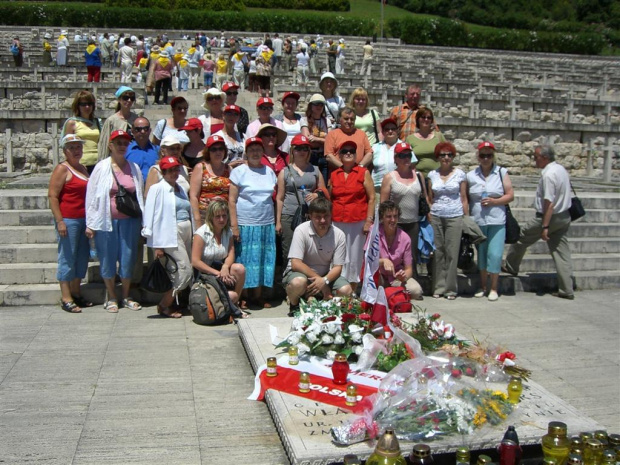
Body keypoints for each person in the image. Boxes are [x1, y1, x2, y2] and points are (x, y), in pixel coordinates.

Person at [503, 145, 574, 300]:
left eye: (536, 157)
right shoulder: (561, 169)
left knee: (521, 237)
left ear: (545, 157)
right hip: (564, 216)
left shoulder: (548, 175)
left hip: (549, 217)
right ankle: (567, 289)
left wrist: (545, 226)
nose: (534, 160)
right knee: (562, 254)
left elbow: (549, 203)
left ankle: (511, 266)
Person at [86, 130, 145, 313]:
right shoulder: (101, 167)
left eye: (125, 143)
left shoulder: (133, 167)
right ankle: (111, 296)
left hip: (129, 221)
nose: (122, 146)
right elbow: (91, 195)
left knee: (128, 259)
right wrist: (90, 222)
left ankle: (126, 295)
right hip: (106, 221)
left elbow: (139, 195)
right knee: (107, 258)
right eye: (118, 143)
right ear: (110, 145)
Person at [228, 137, 277, 308]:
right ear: (246, 152)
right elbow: (232, 200)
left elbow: (275, 198)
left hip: (266, 223)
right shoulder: (239, 172)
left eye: (258, 149)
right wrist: (234, 226)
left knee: (262, 260)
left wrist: (276, 222)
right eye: (252, 149)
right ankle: (243, 295)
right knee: (246, 260)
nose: (255, 153)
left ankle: (258, 296)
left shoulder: (269, 172)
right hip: (245, 223)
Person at [142, 156, 193, 318]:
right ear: (163, 172)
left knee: (178, 270)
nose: (174, 173)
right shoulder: (157, 189)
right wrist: (156, 244)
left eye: (176, 169)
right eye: (170, 170)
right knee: (185, 270)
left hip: (186, 231)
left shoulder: (181, 188)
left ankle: (177, 302)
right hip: (170, 233)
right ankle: (165, 303)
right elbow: (150, 215)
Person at [284, 197, 352, 315]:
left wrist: (324, 280)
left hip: (324, 275)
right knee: (298, 282)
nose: (322, 220)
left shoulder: (339, 235)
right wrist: (322, 283)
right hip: (302, 275)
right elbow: (296, 263)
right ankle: (294, 305)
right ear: (310, 216)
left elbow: (338, 267)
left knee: (346, 290)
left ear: (331, 215)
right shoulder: (301, 230)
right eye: (318, 217)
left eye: (326, 216)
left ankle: (325, 306)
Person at [48, 135, 91, 313]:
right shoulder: (62, 169)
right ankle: (66, 297)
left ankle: (76, 291)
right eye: (72, 147)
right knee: (67, 257)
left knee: (81, 257)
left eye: (78, 147)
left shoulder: (82, 168)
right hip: (69, 219)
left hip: (83, 219)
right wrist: (60, 221)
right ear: (65, 150)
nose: (76, 150)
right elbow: (52, 196)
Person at [467, 141, 514, 301]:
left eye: (489, 155)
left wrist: (495, 201)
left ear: (493, 156)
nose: (486, 158)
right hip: (479, 221)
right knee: (481, 255)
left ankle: (494, 287)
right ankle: (483, 286)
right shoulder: (471, 175)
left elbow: (510, 195)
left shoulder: (501, 172)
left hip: (496, 220)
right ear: (478, 157)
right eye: (483, 155)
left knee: (494, 254)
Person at [329, 140, 375, 291]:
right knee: (338, 255)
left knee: (354, 258)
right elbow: (330, 198)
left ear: (356, 155)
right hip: (337, 221)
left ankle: (353, 290)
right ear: (339, 156)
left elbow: (372, 197)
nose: (348, 153)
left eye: (351, 151)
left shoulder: (363, 172)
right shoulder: (334, 175)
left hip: (357, 221)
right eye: (344, 151)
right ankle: (339, 288)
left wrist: (369, 220)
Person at [276, 134, 328, 266]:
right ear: (292, 150)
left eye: (305, 148)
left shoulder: (315, 170)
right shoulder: (285, 171)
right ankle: (289, 282)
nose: (302, 151)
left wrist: (317, 194)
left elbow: (324, 190)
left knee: (309, 250)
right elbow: (280, 198)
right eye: (298, 148)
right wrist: (278, 222)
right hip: (289, 215)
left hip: (310, 215)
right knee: (288, 250)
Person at [428, 142, 468, 300]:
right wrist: (430, 213)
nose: (446, 158)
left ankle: (450, 288)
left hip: (455, 215)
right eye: (443, 155)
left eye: (449, 155)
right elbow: (430, 198)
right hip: (437, 215)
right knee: (438, 252)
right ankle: (438, 286)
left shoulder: (460, 175)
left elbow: (464, 198)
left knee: (452, 252)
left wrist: (466, 217)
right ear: (438, 157)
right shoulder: (432, 175)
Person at [380, 142, 428, 268]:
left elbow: (425, 198)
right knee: (394, 257)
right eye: (402, 155)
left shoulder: (418, 176)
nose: (406, 158)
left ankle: (411, 284)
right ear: (396, 158)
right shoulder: (389, 177)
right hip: (395, 224)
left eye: (408, 155)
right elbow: (383, 205)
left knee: (411, 258)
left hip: (413, 223)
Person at [191, 200, 247, 308]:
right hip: (205, 273)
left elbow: (231, 253)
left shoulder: (228, 231)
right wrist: (217, 273)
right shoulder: (201, 233)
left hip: (220, 268)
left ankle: (234, 304)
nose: (221, 219)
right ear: (211, 217)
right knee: (231, 295)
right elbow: (195, 261)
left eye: (224, 216)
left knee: (240, 269)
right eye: (217, 216)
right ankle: (229, 304)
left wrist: (225, 267)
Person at [376, 201, 424, 300]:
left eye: (395, 216)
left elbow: (409, 269)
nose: (393, 220)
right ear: (382, 218)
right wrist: (382, 261)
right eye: (389, 216)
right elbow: (367, 261)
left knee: (416, 291)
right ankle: (389, 294)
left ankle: (390, 293)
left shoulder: (405, 238)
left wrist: (403, 276)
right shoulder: (374, 233)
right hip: (378, 276)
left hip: (395, 278)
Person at [190, 134, 231, 225]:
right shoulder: (200, 168)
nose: (218, 152)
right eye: (214, 149)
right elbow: (193, 196)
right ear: (208, 152)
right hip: (205, 216)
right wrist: (197, 220)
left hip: (223, 217)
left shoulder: (229, 169)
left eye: (221, 149)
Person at [61, 90, 100, 174]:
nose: (87, 107)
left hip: (97, 163)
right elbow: (68, 147)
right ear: (77, 106)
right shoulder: (72, 123)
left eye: (90, 104)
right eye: (83, 104)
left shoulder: (97, 122)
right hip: (81, 164)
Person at [97, 86, 138, 162]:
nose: (129, 100)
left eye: (132, 98)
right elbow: (104, 143)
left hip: (133, 158)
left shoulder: (136, 119)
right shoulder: (111, 120)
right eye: (125, 98)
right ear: (119, 99)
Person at [406, 107, 445, 176]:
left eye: (429, 118)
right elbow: (407, 160)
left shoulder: (439, 136)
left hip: (437, 177)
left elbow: (447, 155)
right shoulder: (410, 139)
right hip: (418, 178)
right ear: (418, 119)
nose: (426, 119)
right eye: (423, 117)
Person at [301, 93, 330, 183]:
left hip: (323, 157)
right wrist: (324, 139)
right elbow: (307, 139)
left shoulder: (327, 120)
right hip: (310, 157)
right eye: (316, 104)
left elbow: (331, 141)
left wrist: (316, 139)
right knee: (310, 184)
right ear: (311, 106)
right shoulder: (304, 120)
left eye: (321, 104)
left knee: (323, 185)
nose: (319, 106)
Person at [125, 117, 159, 184]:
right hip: (133, 191)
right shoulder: (125, 151)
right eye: (138, 129)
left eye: (145, 129)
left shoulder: (158, 151)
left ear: (150, 131)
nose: (142, 132)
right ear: (132, 131)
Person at [372, 118, 400, 193]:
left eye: (393, 129)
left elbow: (411, 167)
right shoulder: (375, 147)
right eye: (387, 129)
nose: (390, 131)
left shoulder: (404, 146)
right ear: (383, 132)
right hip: (378, 188)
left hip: (397, 187)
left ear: (397, 131)